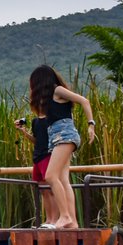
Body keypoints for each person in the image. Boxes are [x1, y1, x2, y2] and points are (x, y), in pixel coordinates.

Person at [29, 65, 97, 229]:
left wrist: (91, 124)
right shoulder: (48, 99)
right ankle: (72, 221)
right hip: (56, 137)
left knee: (51, 176)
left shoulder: (57, 90)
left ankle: (65, 216)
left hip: (65, 135)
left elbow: (84, 100)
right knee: (63, 180)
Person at [14, 115, 60, 226]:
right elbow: (36, 141)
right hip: (37, 157)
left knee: (51, 190)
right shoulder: (35, 121)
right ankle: (49, 220)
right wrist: (24, 132)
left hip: (48, 155)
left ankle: (55, 220)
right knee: (43, 191)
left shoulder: (51, 119)